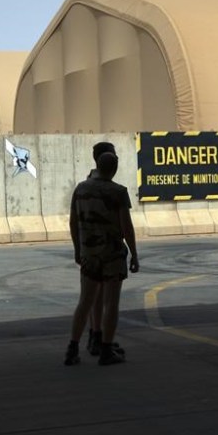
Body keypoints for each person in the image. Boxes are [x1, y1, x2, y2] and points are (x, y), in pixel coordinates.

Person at [65, 151, 139, 366]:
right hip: (112, 254)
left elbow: (73, 222)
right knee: (111, 303)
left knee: (85, 302)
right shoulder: (118, 192)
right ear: (114, 170)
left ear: (96, 165)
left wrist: (78, 249)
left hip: (89, 254)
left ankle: (72, 348)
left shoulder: (80, 189)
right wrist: (134, 253)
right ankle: (106, 348)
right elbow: (127, 227)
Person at [83, 141, 124, 360]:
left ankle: (96, 335)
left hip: (89, 249)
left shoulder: (85, 185)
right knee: (107, 299)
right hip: (107, 249)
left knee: (93, 296)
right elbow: (123, 223)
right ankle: (101, 338)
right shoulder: (109, 188)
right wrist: (133, 251)